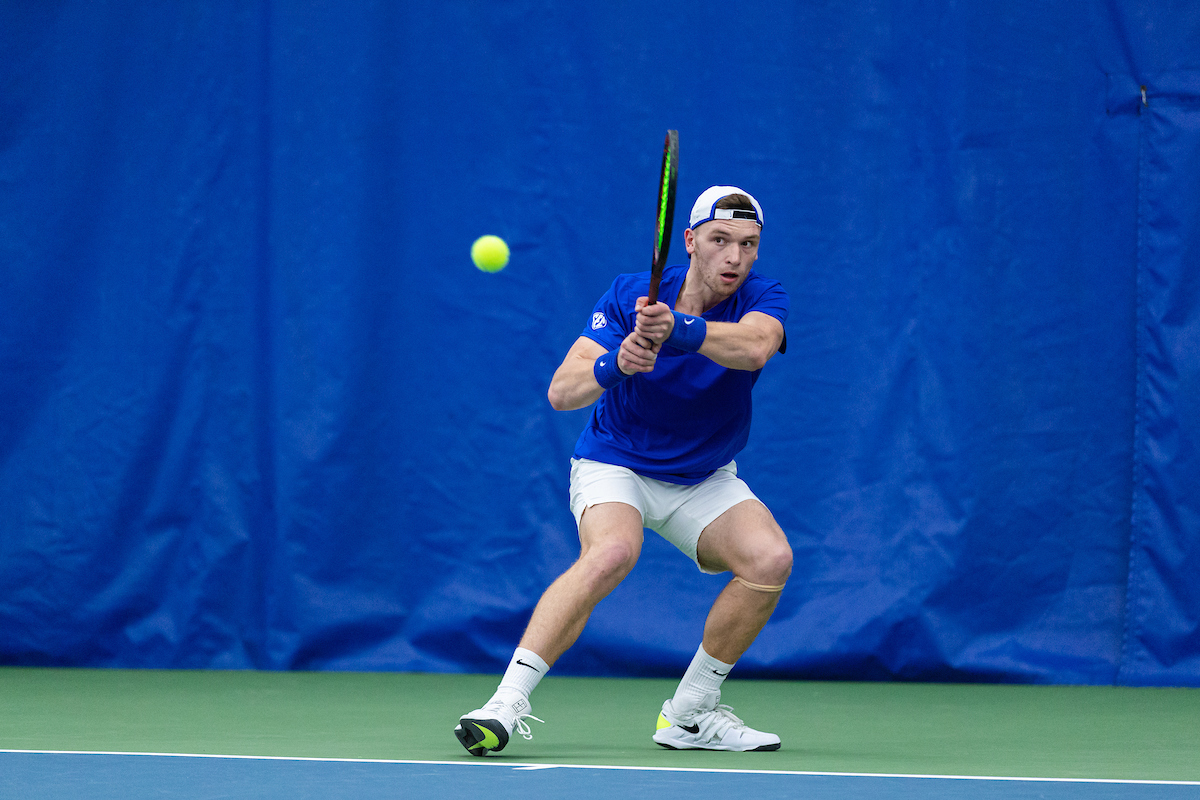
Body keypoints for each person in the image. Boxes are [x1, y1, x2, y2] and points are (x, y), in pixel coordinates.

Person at [455, 186, 792, 755]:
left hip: (703, 476)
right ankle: (504, 704)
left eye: (748, 244)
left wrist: (679, 331)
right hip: (617, 463)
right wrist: (618, 362)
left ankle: (689, 715)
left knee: (769, 560)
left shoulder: (764, 297)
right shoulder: (632, 295)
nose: (734, 257)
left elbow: (755, 347)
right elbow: (563, 391)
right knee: (612, 553)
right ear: (689, 242)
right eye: (720, 241)